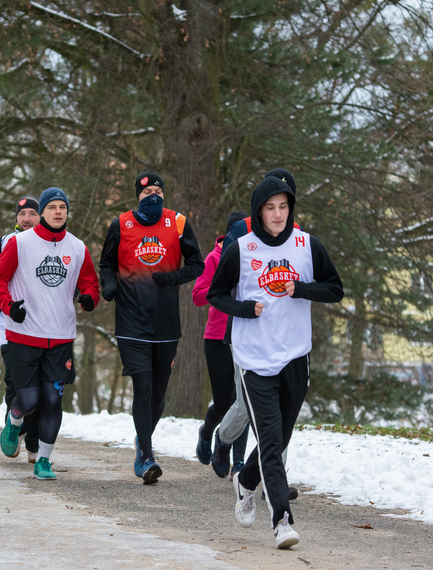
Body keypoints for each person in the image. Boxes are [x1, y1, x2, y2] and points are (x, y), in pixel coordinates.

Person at [207, 175, 343, 548]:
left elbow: (335, 288)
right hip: (254, 358)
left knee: (281, 436)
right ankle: (282, 521)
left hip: (295, 355)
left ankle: (246, 482)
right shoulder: (242, 249)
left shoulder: (306, 246)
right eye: (270, 208)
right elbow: (215, 294)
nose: (278, 214)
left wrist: (301, 288)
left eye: (284, 206)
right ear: (258, 211)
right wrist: (244, 309)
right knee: (270, 440)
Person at [99, 170, 204, 484]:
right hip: (131, 322)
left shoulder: (179, 222)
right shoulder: (121, 224)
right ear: (137, 197)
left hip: (166, 324)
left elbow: (196, 265)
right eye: (146, 193)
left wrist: (172, 278)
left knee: (158, 394)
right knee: (142, 388)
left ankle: (141, 439)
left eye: (158, 191)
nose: (153, 196)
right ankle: (146, 454)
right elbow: (106, 262)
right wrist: (108, 285)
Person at [0, 187, 99, 480]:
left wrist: (89, 297)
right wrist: (9, 306)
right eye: (52, 207)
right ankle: (15, 420)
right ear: (43, 213)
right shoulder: (20, 243)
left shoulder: (77, 247)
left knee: (52, 399)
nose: (58, 212)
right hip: (23, 334)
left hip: (60, 336)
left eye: (62, 207)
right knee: (28, 401)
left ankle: (44, 460)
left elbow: (90, 282)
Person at [0, 195, 42, 462]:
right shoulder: (5, 242)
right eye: (22, 214)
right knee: (15, 382)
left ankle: (33, 441)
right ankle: (15, 432)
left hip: (43, 325)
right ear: (16, 218)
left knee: (40, 383)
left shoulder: (50, 243)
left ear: (40, 217)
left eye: (32, 213)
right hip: (10, 325)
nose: (27, 219)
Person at [192, 210, 250, 480]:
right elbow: (198, 296)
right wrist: (223, 290)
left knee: (245, 400)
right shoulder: (215, 258)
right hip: (216, 336)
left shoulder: (255, 259)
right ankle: (208, 433)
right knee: (225, 401)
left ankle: (238, 462)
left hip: (245, 336)